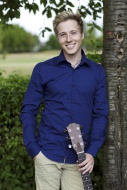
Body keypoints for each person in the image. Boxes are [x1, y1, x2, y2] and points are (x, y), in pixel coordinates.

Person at [20, 11, 109, 190]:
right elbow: (28, 109)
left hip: (79, 159)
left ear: (82, 34)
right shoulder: (43, 70)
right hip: (46, 154)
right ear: (58, 38)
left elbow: (101, 114)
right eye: (63, 34)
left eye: (73, 32)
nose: (69, 39)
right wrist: (34, 149)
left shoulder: (97, 72)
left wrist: (91, 152)